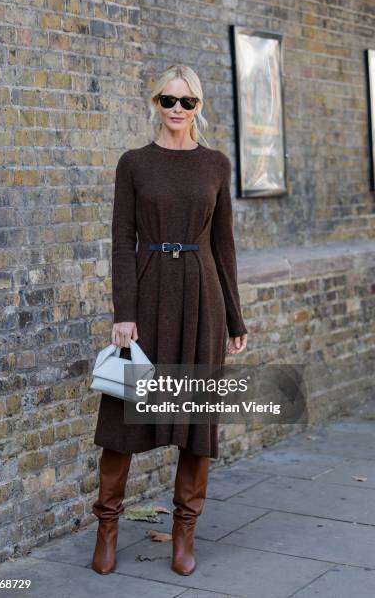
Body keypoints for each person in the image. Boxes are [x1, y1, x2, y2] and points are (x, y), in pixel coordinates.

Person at [91, 64, 248, 576]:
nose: (177, 110)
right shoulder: (133, 163)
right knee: (122, 416)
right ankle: (108, 526)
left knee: (197, 420)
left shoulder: (216, 165)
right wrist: (124, 314)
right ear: (154, 102)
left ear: (199, 106)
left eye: (187, 101)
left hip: (201, 300)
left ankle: (185, 532)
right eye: (167, 99)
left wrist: (234, 318)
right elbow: (121, 241)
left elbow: (223, 246)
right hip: (148, 293)